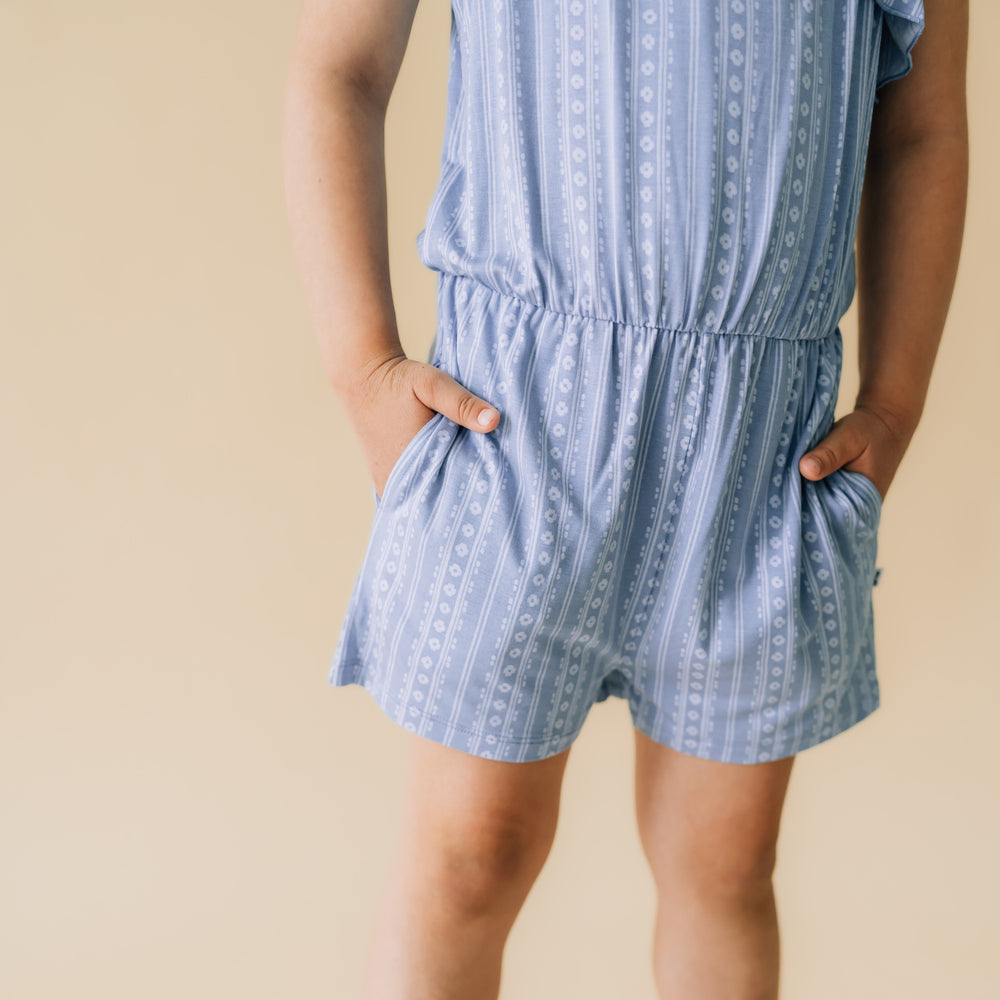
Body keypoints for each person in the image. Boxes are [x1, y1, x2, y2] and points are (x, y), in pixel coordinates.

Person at [282, 0, 968, 996]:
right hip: (513, 433)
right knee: (470, 856)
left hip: (760, 462)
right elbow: (336, 67)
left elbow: (920, 126)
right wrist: (363, 373)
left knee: (726, 866)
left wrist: (895, 401)